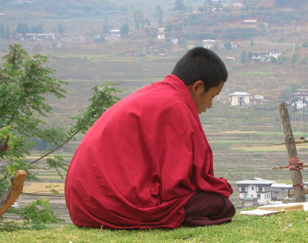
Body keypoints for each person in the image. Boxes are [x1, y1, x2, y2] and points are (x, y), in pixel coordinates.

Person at [65, 47, 235, 229]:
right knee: (219, 205)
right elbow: (179, 187)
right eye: (212, 96)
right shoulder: (175, 107)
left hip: (81, 204)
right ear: (198, 87)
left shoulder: (156, 93)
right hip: (108, 205)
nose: (209, 105)